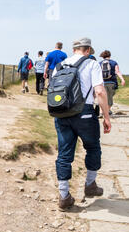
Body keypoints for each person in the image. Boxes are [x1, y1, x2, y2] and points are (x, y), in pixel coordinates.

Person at [52, 37, 111, 211]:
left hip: (62, 113)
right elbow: (99, 92)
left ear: (74, 49)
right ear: (87, 50)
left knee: (64, 154)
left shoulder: (60, 66)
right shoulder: (92, 64)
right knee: (92, 147)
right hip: (84, 112)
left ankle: (64, 196)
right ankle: (90, 185)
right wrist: (106, 116)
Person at [99, 50, 126, 115]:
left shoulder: (99, 63)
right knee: (110, 98)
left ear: (103, 56)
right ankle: (105, 112)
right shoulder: (114, 63)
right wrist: (122, 79)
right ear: (110, 55)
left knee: (103, 98)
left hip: (102, 83)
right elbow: (117, 72)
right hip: (112, 83)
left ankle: (101, 112)